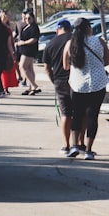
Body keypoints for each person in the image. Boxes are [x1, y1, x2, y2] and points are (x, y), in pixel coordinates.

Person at [62, 17, 109, 159]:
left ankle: (74, 146)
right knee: (92, 117)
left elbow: (65, 66)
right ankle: (88, 150)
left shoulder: (70, 44)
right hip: (98, 84)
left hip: (78, 85)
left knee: (77, 114)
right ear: (88, 27)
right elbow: (107, 60)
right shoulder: (99, 41)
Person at [44, 19, 75, 155]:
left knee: (66, 113)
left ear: (57, 30)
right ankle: (79, 143)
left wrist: (53, 79)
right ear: (69, 29)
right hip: (77, 80)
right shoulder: (76, 40)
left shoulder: (50, 44)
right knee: (79, 113)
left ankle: (66, 145)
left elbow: (46, 67)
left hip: (60, 80)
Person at [16, 11, 41, 94]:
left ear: (33, 18)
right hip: (24, 49)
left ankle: (34, 85)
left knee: (22, 66)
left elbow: (34, 39)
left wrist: (24, 42)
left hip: (29, 49)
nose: (27, 20)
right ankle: (31, 88)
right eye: (26, 18)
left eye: (29, 18)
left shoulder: (34, 27)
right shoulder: (26, 26)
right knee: (30, 68)